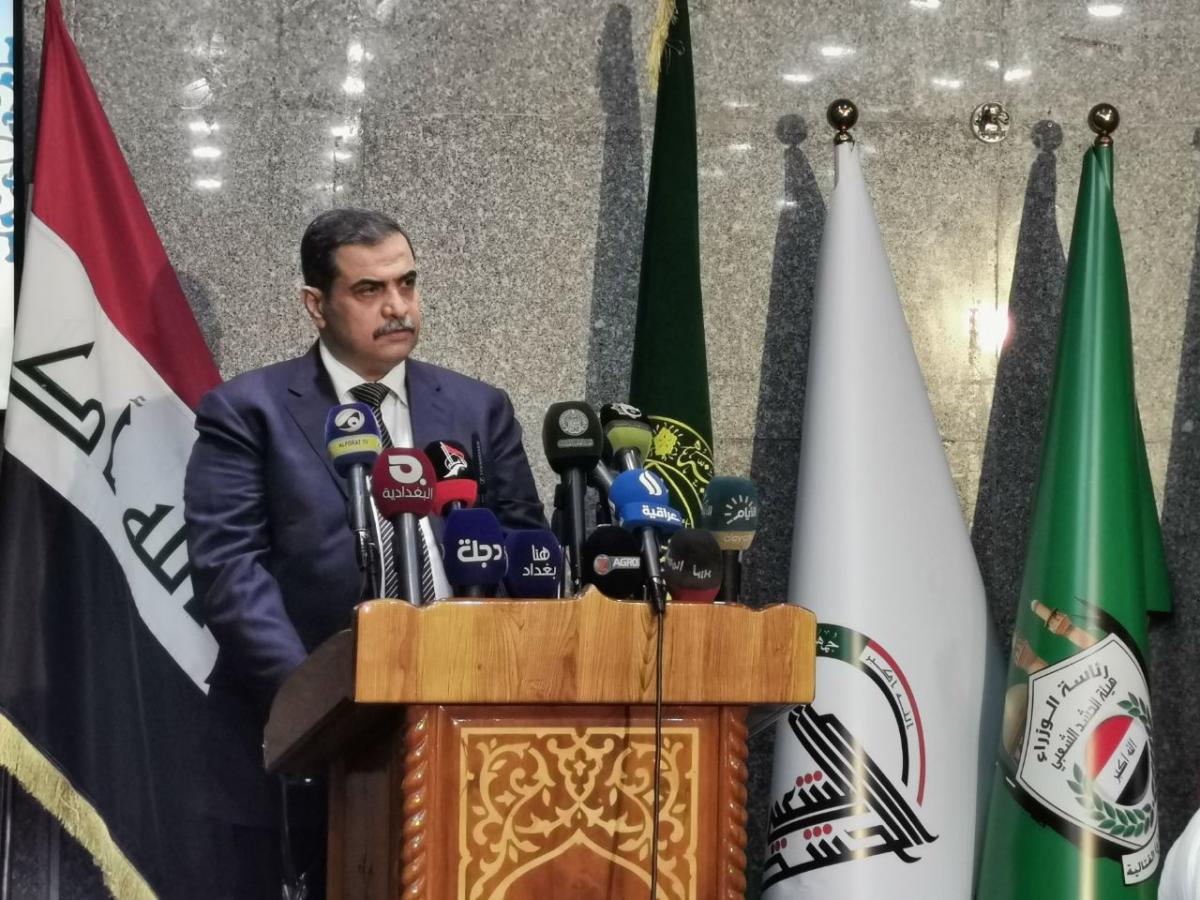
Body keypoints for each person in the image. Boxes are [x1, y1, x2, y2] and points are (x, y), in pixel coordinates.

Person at [183, 208, 546, 897]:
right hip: (301, 747)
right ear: (315, 304)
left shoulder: (478, 409)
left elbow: (523, 548)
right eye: (370, 290)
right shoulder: (249, 411)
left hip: (464, 734)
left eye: (407, 283)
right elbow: (229, 571)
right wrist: (320, 705)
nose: (398, 306)